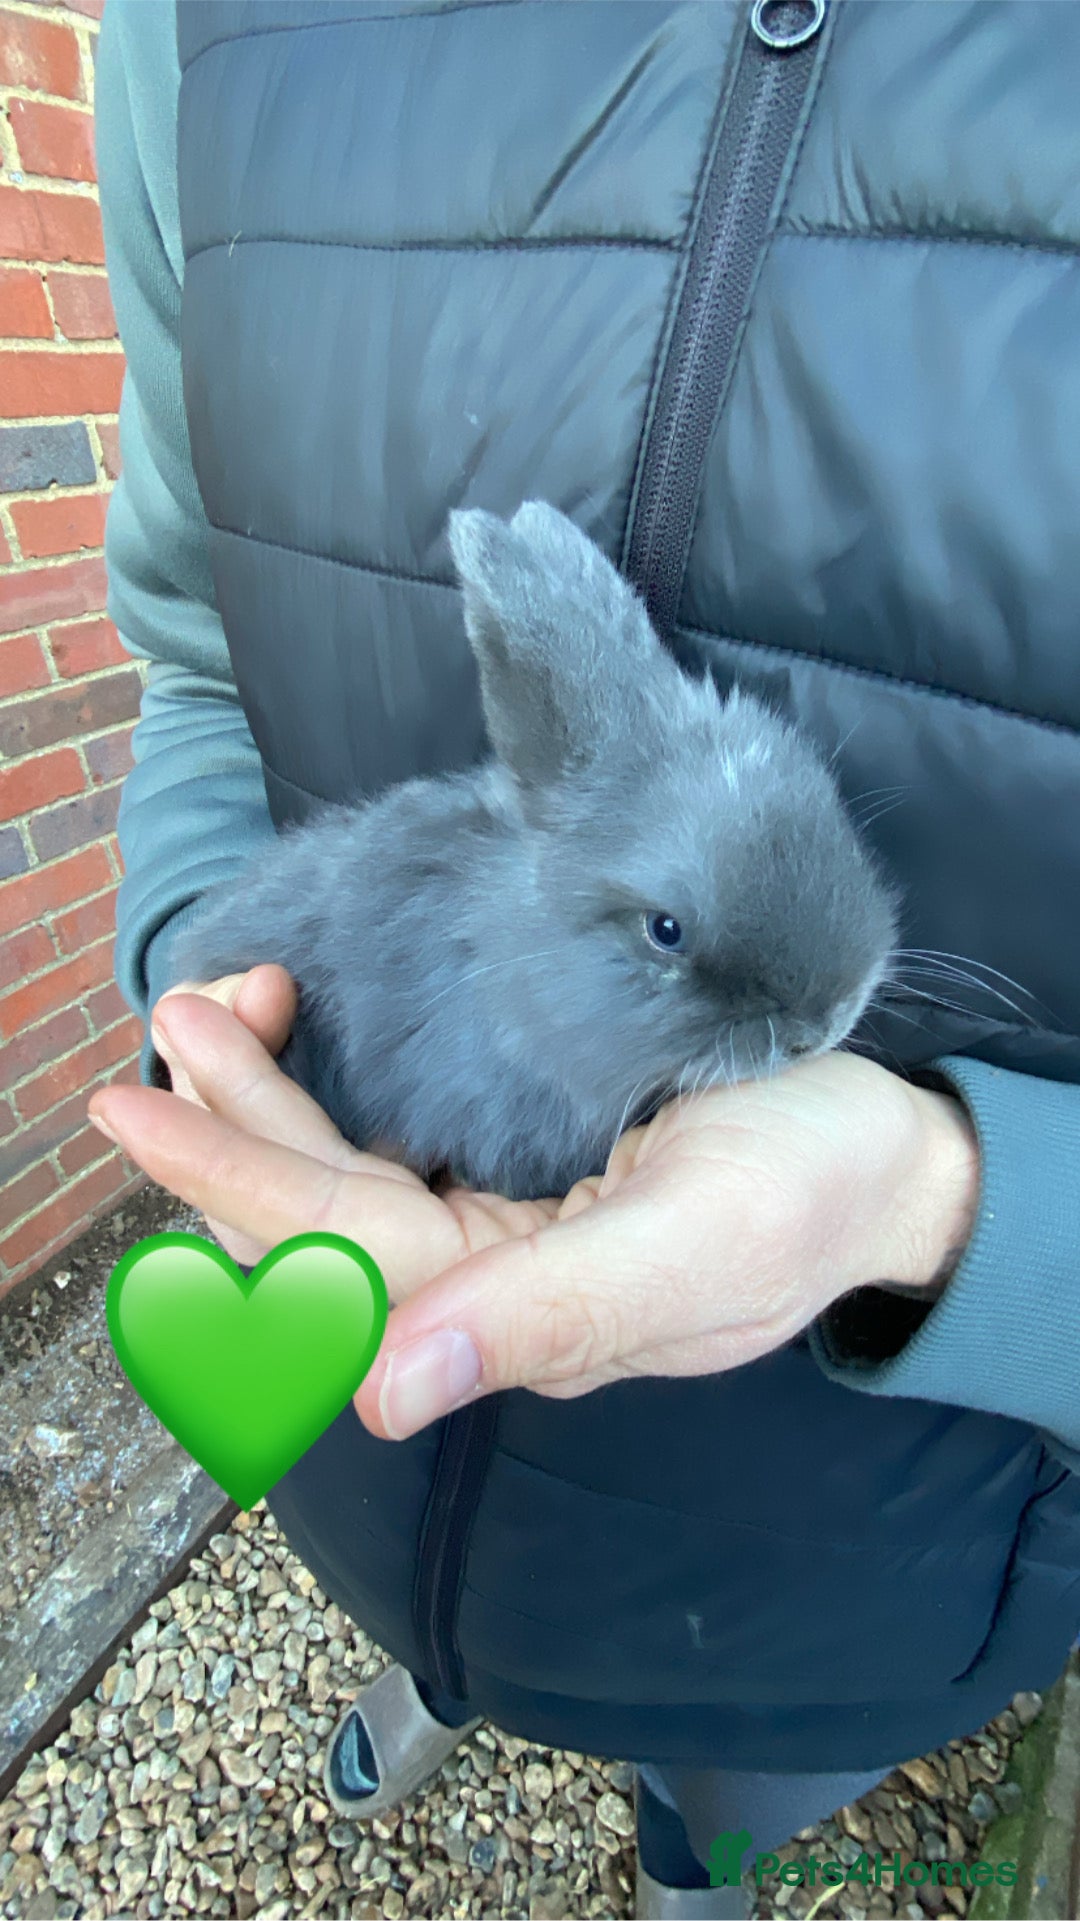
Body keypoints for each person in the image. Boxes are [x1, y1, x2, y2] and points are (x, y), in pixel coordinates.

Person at [91, 1, 1080, 1914]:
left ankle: (697, 1832)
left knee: (726, 1755)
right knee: (432, 1537)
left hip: (848, 1574)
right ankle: (439, 1662)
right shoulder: (200, 32)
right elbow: (196, 651)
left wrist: (959, 1210)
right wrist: (199, 994)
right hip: (370, 1443)